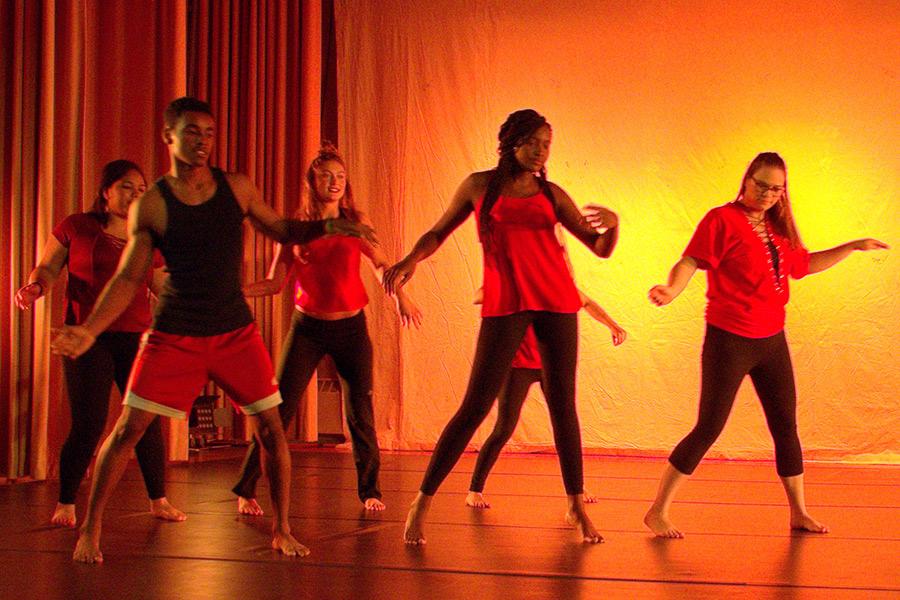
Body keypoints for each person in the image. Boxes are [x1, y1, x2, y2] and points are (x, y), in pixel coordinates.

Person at [51, 97, 376, 563]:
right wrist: (88, 330)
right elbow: (128, 278)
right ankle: (91, 531)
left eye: (209, 132)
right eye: (192, 132)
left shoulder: (237, 187)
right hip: (175, 332)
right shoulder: (152, 205)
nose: (203, 141)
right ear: (169, 137)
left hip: (234, 332)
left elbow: (283, 229)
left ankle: (282, 529)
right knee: (127, 430)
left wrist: (332, 225)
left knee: (271, 429)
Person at [383, 109, 619, 545]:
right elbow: (438, 232)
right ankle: (422, 502)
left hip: (556, 305)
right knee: (474, 408)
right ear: (512, 141)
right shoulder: (479, 187)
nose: (541, 151)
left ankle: (575, 505)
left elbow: (599, 248)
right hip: (507, 306)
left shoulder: (552, 194)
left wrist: (615, 225)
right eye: (534, 142)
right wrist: (411, 260)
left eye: (547, 144)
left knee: (563, 408)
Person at [642, 152, 889, 539]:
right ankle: (658, 510)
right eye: (761, 184)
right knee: (709, 426)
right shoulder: (721, 219)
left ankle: (799, 512)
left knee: (785, 426)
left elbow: (803, 266)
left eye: (776, 188)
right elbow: (691, 260)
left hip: (772, 340)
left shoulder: (777, 227)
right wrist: (672, 289)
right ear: (746, 180)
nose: (768, 193)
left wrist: (853, 246)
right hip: (730, 339)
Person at [233, 144, 422, 515]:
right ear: (311, 182)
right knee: (278, 410)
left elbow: (382, 265)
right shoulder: (296, 230)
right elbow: (274, 284)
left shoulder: (355, 225)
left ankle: (370, 489)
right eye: (326, 176)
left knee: (360, 409)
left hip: (351, 327)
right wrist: (237, 293)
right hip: (307, 329)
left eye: (340, 176)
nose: (334, 182)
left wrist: (401, 297)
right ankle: (245, 488)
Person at [15, 160, 185, 528]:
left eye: (141, 190)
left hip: (137, 338)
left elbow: (161, 286)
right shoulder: (77, 226)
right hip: (87, 336)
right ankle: (66, 502)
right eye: (126, 186)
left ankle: (159, 499)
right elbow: (47, 267)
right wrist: (36, 287)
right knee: (88, 423)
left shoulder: (147, 239)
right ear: (106, 191)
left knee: (144, 422)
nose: (135, 194)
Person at [465, 287, 626, 509]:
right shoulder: (517, 281)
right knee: (504, 428)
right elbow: (478, 296)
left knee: (565, 427)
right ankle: (474, 489)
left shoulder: (556, 285)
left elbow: (587, 302)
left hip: (549, 366)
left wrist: (612, 325)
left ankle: (575, 489)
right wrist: (517, 292)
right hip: (517, 366)